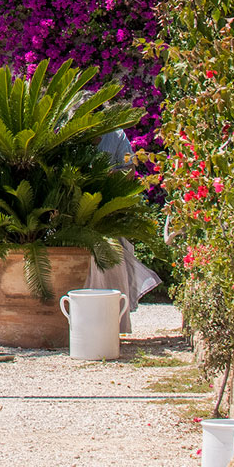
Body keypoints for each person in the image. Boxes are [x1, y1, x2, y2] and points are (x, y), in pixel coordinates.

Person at [89, 127, 160, 333]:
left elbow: (129, 171)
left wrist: (108, 176)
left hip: (111, 210)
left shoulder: (117, 136)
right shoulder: (73, 136)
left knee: (114, 261)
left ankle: (114, 321)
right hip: (79, 212)